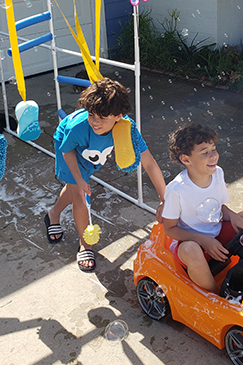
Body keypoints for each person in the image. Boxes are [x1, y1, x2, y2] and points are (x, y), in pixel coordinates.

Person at [44, 77, 165, 272]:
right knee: (79, 194)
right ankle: (85, 244)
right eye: (91, 115)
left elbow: (149, 163)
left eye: (102, 118)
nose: (95, 122)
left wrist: (164, 198)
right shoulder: (79, 127)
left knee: (76, 188)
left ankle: (53, 214)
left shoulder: (127, 130)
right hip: (68, 148)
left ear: (118, 116)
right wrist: (80, 178)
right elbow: (67, 151)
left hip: (91, 153)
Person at [162, 123, 243, 294]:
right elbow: (170, 229)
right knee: (191, 251)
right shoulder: (177, 189)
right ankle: (216, 296)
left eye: (214, 149)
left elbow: (218, 207)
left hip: (217, 235)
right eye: (205, 153)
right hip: (193, 245)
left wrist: (233, 216)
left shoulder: (217, 173)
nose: (213, 156)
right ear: (186, 159)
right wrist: (204, 241)